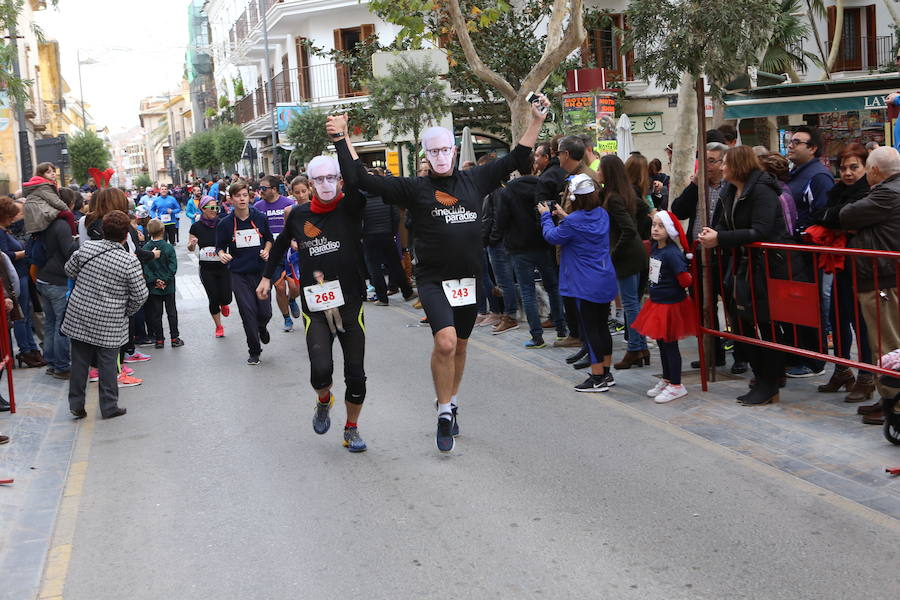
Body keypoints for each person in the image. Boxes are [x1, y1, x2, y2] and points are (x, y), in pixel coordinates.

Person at [327, 94, 549, 452]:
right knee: (444, 341)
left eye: (446, 150)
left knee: (460, 345)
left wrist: (536, 119)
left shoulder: (475, 180)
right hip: (433, 280)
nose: (441, 157)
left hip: (469, 279)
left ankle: (451, 401)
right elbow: (360, 179)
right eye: (434, 152)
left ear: (454, 153)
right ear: (425, 157)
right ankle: (444, 413)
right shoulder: (414, 189)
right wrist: (341, 139)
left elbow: (518, 159)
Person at [257, 155, 369, 453]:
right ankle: (324, 400)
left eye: (331, 178)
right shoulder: (298, 215)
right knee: (321, 371)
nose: (326, 184)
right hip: (316, 305)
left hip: (349, 304)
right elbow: (280, 246)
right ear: (310, 184)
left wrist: (341, 140)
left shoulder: (350, 207)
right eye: (319, 179)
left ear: (339, 179)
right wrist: (268, 278)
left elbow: (358, 177)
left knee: (355, 373)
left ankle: (351, 428)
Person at [699, 146, 791, 406]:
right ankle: (761, 377)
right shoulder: (730, 190)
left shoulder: (762, 190)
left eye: (725, 162)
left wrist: (721, 239)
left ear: (737, 165)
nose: (721, 167)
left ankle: (771, 381)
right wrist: (712, 235)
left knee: (766, 325)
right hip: (740, 266)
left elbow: (760, 230)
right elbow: (722, 222)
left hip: (765, 268)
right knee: (742, 324)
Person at [62, 210, 149, 420]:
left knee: (80, 361)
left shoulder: (87, 248)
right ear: (125, 235)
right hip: (111, 319)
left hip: (79, 313)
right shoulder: (128, 261)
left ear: (103, 229)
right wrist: (126, 311)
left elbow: (69, 270)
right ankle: (109, 406)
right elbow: (140, 294)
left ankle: (76, 404)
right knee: (108, 364)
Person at [538, 174, 617, 391]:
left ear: (575, 198)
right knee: (602, 328)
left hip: (585, 283)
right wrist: (565, 216)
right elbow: (580, 226)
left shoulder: (573, 222)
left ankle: (597, 377)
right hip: (604, 278)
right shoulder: (602, 214)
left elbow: (552, 236)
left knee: (591, 331)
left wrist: (546, 216)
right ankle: (607, 372)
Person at [810, 143, 874, 403]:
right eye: (844, 167)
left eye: (853, 167)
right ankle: (841, 370)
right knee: (837, 318)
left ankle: (866, 377)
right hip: (839, 264)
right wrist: (835, 219)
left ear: (866, 167)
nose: (847, 172)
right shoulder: (838, 190)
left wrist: (834, 218)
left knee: (862, 324)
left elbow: (846, 218)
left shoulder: (870, 191)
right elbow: (821, 215)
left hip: (862, 266)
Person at [839, 147, 900, 409]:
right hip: (886, 275)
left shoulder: (886, 193)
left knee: (888, 345)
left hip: (882, 278)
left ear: (873, 171)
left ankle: (892, 402)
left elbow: (845, 215)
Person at [633, 211, 698, 403]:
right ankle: (667, 378)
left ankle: (677, 385)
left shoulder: (671, 253)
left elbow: (685, 280)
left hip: (670, 305)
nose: (655, 229)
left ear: (669, 230)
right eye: (654, 225)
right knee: (662, 344)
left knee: (670, 345)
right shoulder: (656, 248)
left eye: (661, 226)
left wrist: (685, 276)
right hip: (657, 302)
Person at [785, 125, 833, 378]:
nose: (790, 145)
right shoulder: (795, 174)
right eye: (790, 141)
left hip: (810, 254)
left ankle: (814, 361)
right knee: (797, 304)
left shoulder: (818, 176)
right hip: (796, 254)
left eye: (797, 142)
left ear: (812, 148)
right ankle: (800, 355)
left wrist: (806, 235)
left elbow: (823, 216)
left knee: (811, 305)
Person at [537, 136, 592, 350]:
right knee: (571, 295)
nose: (556, 156)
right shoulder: (574, 176)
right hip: (571, 248)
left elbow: (583, 217)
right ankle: (582, 339)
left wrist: (551, 218)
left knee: (581, 301)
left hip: (578, 250)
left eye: (558, 153)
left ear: (566, 154)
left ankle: (586, 343)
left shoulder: (585, 179)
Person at [599, 155, 651, 370]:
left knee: (631, 305)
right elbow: (643, 210)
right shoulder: (623, 193)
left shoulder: (614, 197)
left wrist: (613, 253)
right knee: (633, 304)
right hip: (635, 254)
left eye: (601, 170)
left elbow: (628, 229)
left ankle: (635, 350)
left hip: (628, 256)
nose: (598, 173)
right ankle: (640, 348)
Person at [216, 181, 273, 365]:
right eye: (238, 196)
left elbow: (269, 239)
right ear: (231, 199)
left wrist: (267, 250)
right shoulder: (225, 223)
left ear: (249, 197)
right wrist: (222, 254)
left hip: (260, 272)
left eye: (244, 195)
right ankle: (254, 351)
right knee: (247, 312)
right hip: (238, 274)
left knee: (265, 312)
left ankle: (262, 327)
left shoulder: (260, 217)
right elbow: (219, 247)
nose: (242, 199)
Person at [37, 190, 78, 380]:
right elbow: (68, 251)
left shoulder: (46, 220)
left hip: (43, 277)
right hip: (57, 280)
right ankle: (62, 366)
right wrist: (79, 243)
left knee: (51, 323)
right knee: (62, 325)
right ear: (69, 204)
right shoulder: (62, 224)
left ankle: (52, 363)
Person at [0, 197, 43, 367]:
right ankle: (26, 350)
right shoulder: (2, 233)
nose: (16, 216)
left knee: (24, 314)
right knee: (21, 315)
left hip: (20, 275)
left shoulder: (5, 231)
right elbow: (4, 255)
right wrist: (24, 253)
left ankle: (29, 349)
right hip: (16, 276)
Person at [361, 174, 417, 306]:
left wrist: (362, 234)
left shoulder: (361, 198)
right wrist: (392, 231)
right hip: (387, 234)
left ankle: (382, 298)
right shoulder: (384, 195)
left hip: (369, 237)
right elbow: (395, 215)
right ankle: (407, 292)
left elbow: (358, 220)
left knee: (374, 268)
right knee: (395, 264)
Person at [254, 175, 300, 331]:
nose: (260, 191)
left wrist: (294, 241)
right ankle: (287, 318)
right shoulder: (258, 207)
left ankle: (292, 300)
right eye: (260, 188)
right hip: (272, 255)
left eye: (264, 188)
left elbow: (296, 226)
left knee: (295, 287)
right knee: (280, 288)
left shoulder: (288, 204)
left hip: (289, 253)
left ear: (274, 189)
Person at [188, 196, 233, 338]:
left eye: (216, 208)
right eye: (211, 208)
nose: (215, 211)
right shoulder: (196, 227)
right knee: (213, 298)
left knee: (226, 297)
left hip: (223, 266)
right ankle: (218, 326)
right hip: (207, 269)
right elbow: (190, 247)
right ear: (203, 209)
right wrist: (192, 244)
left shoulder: (222, 223)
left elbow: (231, 242)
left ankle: (224, 303)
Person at [142, 219, 183, 348]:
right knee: (171, 312)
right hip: (169, 285)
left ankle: (159, 339)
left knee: (156, 314)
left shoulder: (146, 248)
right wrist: (165, 279)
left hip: (153, 286)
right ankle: (174, 338)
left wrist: (155, 280)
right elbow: (173, 266)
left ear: (148, 232)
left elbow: (145, 267)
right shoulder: (168, 247)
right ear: (163, 230)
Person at [22, 162, 77, 235]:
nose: (53, 173)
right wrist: (68, 209)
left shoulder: (39, 185)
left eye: (54, 171)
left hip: (37, 212)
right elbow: (55, 201)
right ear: (41, 174)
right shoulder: (44, 186)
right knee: (68, 215)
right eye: (48, 172)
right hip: (40, 211)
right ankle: (73, 235)